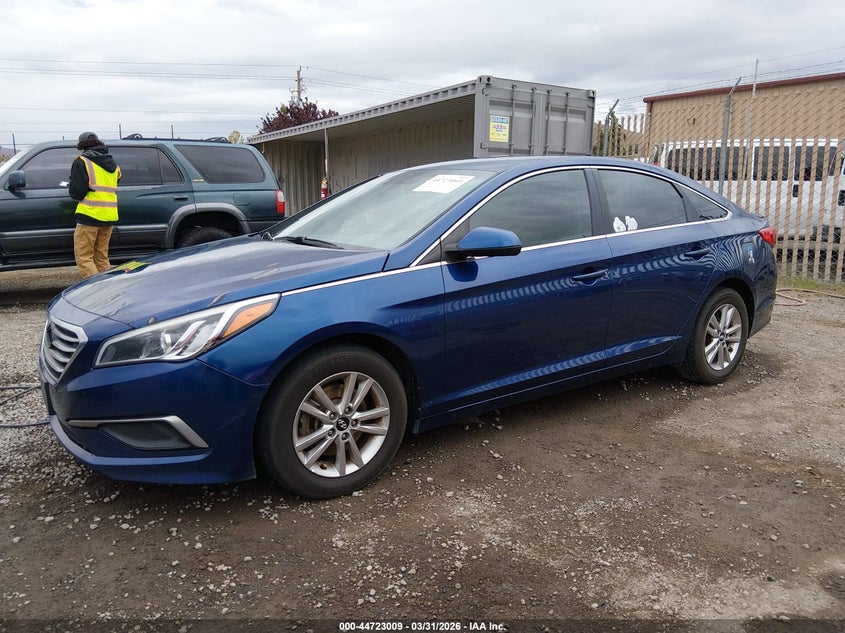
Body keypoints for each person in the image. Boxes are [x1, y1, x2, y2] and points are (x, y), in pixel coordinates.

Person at [68, 132, 121, 278]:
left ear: (82, 145)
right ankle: (108, 286)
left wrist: (71, 185)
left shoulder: (82, 161)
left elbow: (77, 192)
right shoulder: (114, 165)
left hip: (89, 215)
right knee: (101, 257)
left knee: (84, 257)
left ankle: (95, 288)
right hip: (109, 216)